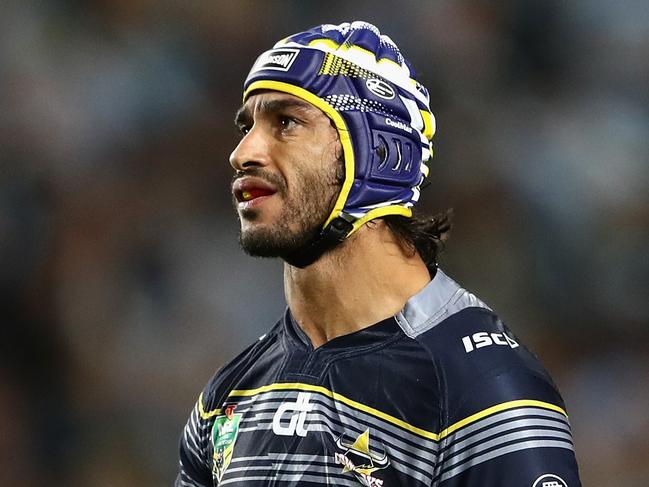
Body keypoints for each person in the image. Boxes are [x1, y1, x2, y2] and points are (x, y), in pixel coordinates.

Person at [176, 21, 581, 487]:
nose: (242, 151)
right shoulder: (226, 397)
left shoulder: (484, 388)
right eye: (247, 126)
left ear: (377, 153)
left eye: (285, 122)